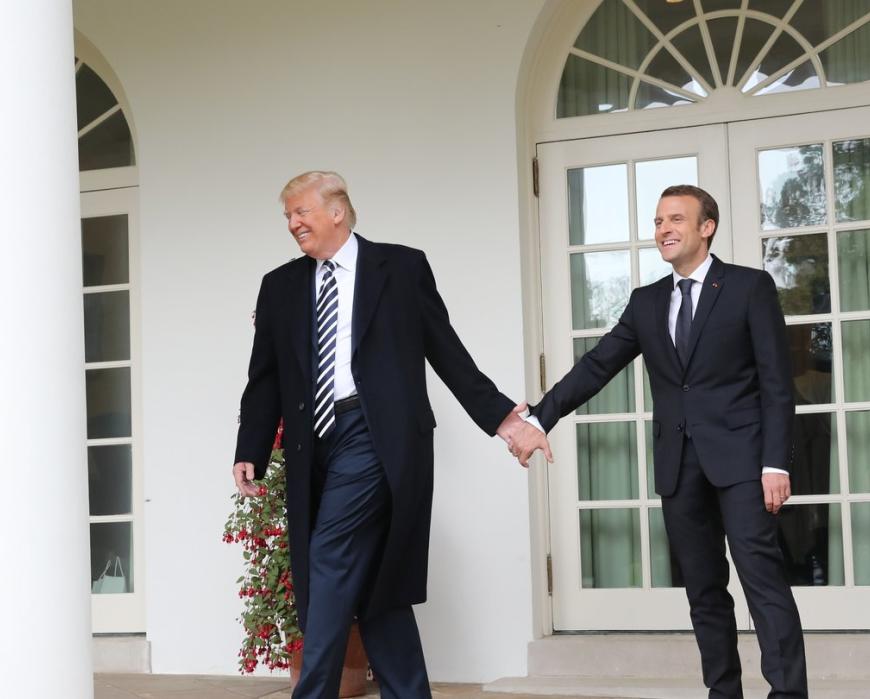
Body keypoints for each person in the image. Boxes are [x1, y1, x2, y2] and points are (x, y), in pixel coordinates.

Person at [506, 185, 808, 698]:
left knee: (763, 584)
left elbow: (778, 385)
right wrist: (539, 417)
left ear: (706, 227)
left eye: (675, 219)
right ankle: (723, 692)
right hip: (678, 466)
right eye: (658, 221)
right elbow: (597, 364)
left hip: (743, 463)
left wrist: (775, 463)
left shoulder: (748, 288)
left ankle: (787, 694)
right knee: (704, 591)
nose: (663, 229)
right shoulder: (646, 302)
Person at [233, 171, 525, 699]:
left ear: (337, 211)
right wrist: (250, 448)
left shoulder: (401, 266)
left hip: (376, 436)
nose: (293, 223)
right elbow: (266, 376)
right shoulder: (279, 286)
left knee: (330, 555)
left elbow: (446, 350)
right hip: (312, 446)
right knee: (376, 586)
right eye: (287, 217)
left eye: (301, 212)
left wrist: (502, 419)